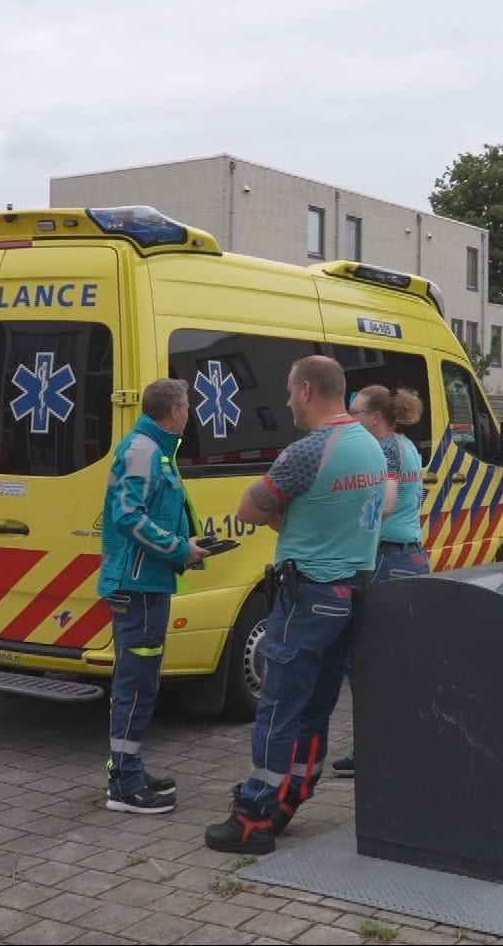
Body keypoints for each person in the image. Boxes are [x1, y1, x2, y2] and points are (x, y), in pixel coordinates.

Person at [205, 356, 390, 855]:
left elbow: (249, 510)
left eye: (289, 391)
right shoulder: (370, 446)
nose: (287, 401)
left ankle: (253, 817)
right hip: (351, 595)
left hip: (307, 595)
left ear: (307, 390)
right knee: (315, 707)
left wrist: (286, 515)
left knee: (278, 707)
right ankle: (290, 797)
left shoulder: (308, 451)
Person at [96, 379, 210, 814]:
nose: (190, 414)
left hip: (147, 584)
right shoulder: (144, 450)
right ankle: (124, 785)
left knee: (142, 684)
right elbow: (128, 516)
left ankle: (129, 769)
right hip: (138, 588)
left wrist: (187, 545)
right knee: (135, 685)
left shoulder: (154, 448)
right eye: (188, 407)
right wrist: (180, 549)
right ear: (176, 411)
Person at [331, 383, 429, 779]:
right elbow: (415, 498)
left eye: (354, 412)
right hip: (408, 556)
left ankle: (373, 747)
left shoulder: (385, 448)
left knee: (366, 660)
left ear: (374, 417)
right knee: (391, 660)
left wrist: (346, 521)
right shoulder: (406, 445)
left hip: (387, 558)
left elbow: (385, 504)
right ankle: (394, 742)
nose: (349, 418)